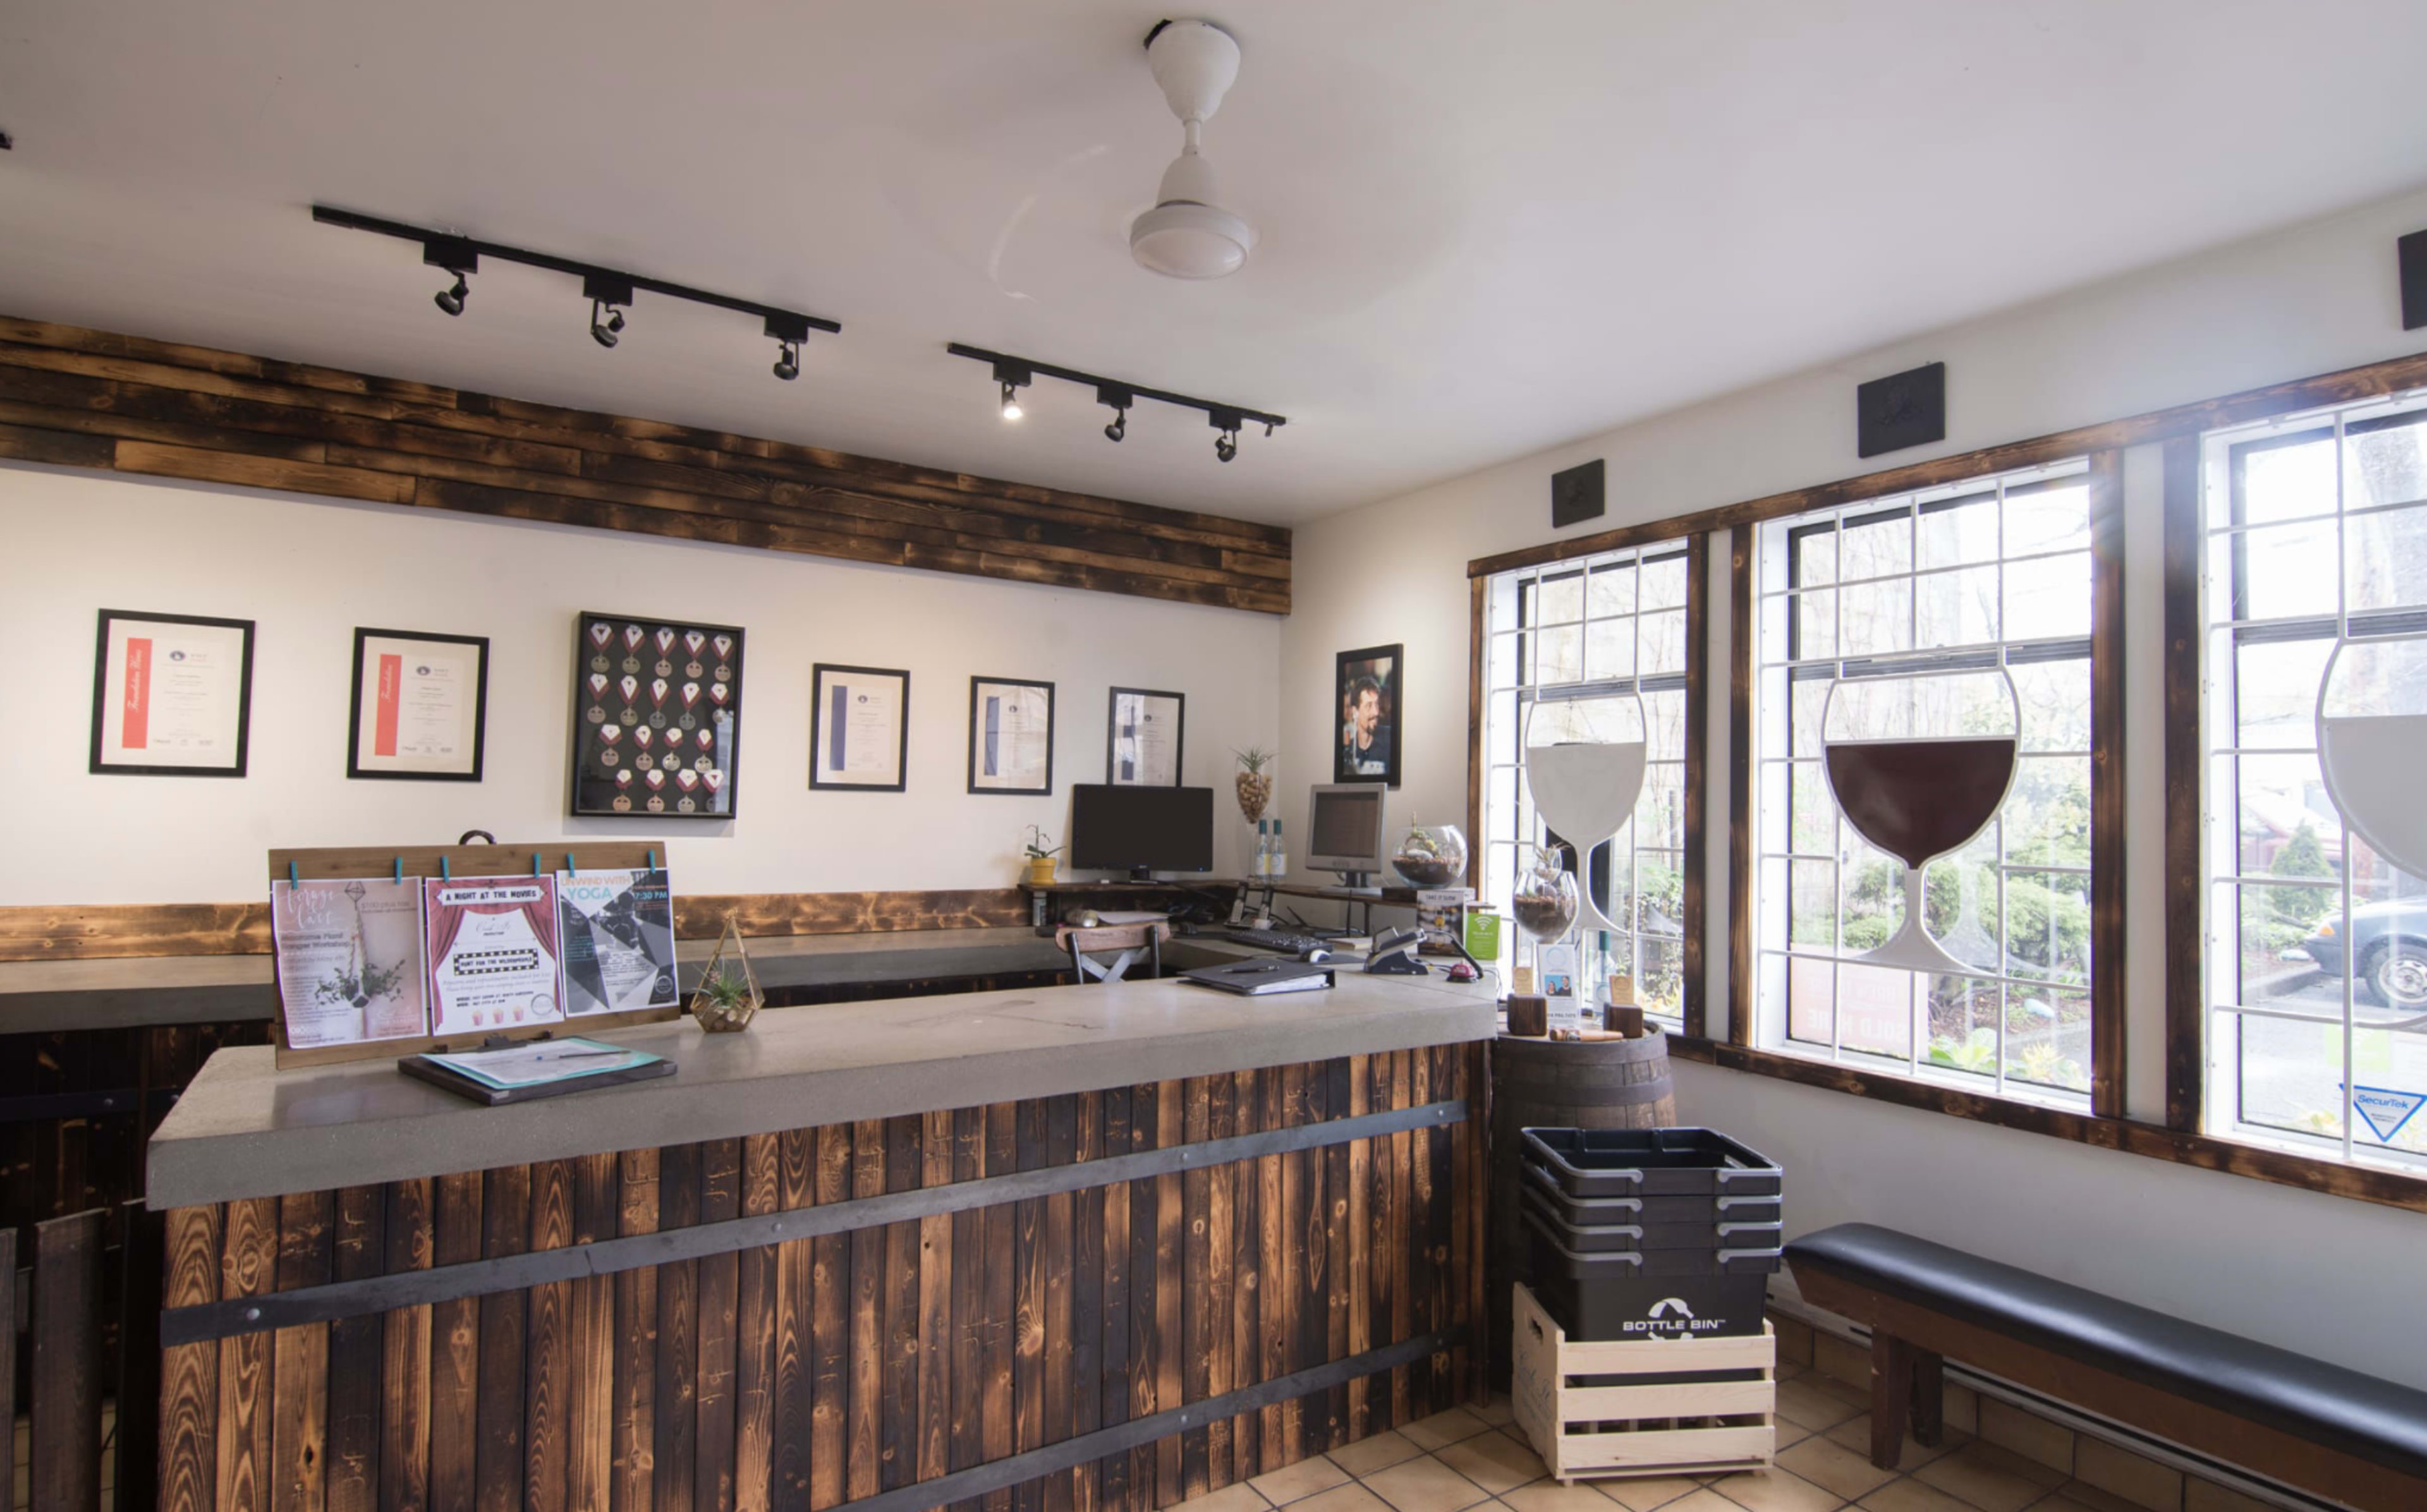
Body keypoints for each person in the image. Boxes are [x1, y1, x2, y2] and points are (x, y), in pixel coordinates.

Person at [1341, 670, 1392, 777]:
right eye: (1369, 706)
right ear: (1355, 711)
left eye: (1377, 704)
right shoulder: (1348, 752)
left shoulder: (1390, 739)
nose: (1376, 712)